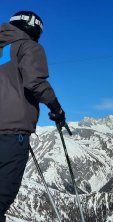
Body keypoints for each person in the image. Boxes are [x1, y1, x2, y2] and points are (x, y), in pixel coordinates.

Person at [0, 11, 66, 221]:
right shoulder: (29, 47)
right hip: (12, 133)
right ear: (34, 27)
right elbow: (34, 82)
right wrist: (56, 109)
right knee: (2, 197)